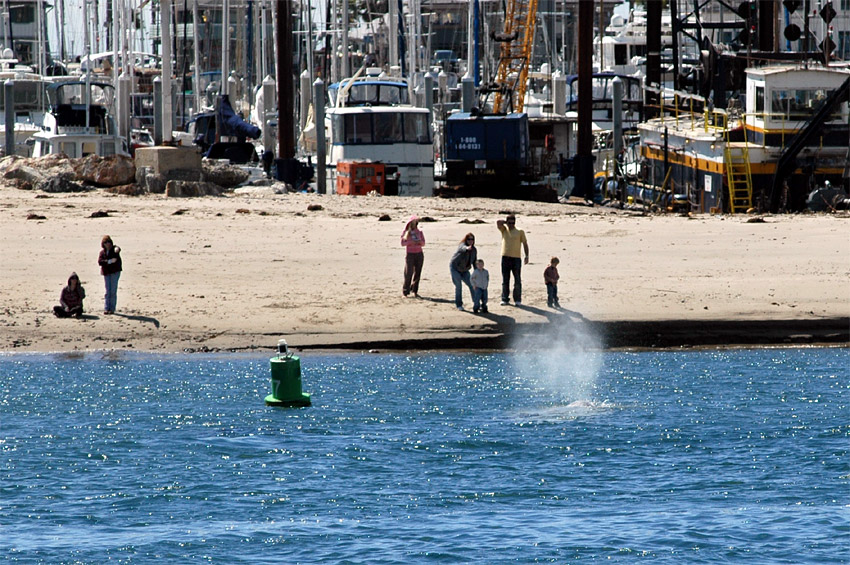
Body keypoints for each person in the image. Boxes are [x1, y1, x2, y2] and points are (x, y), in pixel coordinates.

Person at [496, 214, 529, 306]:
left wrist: (527, 256)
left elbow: (525, 244)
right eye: (509, 223)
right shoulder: (504, 230)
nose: (511, 224)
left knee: (517, 280)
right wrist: (506, 223)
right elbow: (498, 222)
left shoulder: (520, 231)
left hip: (516, 259)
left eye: (513, 223)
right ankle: (505, 299)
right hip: (505, 257)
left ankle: (517, 299)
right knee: (505, 280)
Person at [449, 233, 477, 311]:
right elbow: (462, 248)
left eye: (472, 239)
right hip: (455, 268)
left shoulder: (474, 250)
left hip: (465, 270)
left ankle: (476, 302)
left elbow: (474, 262)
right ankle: (459, 304)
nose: (470, 241)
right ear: (466, 240)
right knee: (459, 286)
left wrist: (477, 273)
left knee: (472, 285)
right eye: (469, 239)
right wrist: (467, 248)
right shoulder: (462, 245)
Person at [401, 215, 425, 297]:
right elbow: (402, 243)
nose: (414, 224)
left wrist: (419, 242)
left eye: (415, 223)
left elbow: (423, 243)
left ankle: (414, 290)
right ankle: (405, 290)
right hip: (410, 254)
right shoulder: (406, 233)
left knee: (418, 273)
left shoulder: (420, 232)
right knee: (409, 273)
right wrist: (410, 242)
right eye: (412, 223)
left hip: (419, 253)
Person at [98, 235, 122, 315]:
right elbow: (100, 262)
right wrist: (109, 261)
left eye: (108, 242)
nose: (107, 244)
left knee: (113, 291)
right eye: (105, 242)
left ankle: (112, 308)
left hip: (115, 272)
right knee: (108, 290)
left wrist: (117, 250)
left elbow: (117, 249)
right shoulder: (102, 252)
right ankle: (106, 308)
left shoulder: (114, 249)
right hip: (107, 272)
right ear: (103, 244)